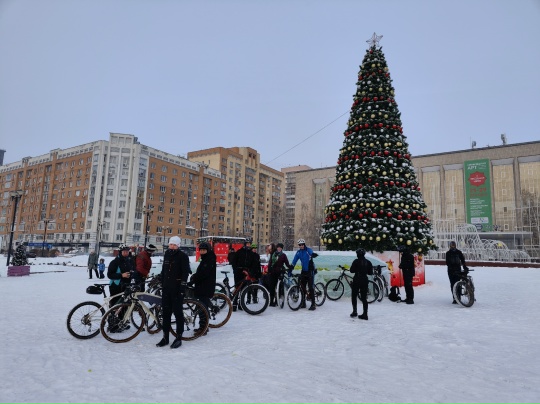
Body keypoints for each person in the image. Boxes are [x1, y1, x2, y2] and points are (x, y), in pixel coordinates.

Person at [156, 236, 191, 349]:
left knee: (178, 313)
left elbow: (185, 273)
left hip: (177, 289)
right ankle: (165, 337)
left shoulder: (183, 256)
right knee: (166, 314)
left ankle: (178, 337)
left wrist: (182, 287)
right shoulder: (167, 254)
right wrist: (161, 279)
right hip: (166, 288)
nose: (172, 246)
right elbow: (164, 269)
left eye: (174, 245)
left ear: (178, 245)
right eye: (171, 244)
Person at [188, 242, 216, 335]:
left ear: (208, 250)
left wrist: (194, 279)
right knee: (202, 306)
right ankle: (203, 326)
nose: (202, 252)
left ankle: (203, 328)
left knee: (202, 308)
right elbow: (201, 272)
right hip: (202, 285)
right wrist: (195, 276)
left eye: (204, 250)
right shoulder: (206, 258)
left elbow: (204, 273)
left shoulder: (209, 259)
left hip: (205, 286)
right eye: (201, 250)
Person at [291, 239, 317, 311]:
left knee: (310, 287)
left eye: (302, 244)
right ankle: (303, 303)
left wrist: (313, 255)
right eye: (300, 245)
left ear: (304, 244)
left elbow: (311, 253)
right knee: (302, 287)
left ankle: (313, 304)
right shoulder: (298, 252)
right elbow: (294, 260)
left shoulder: (308, 250)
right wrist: (291, 267)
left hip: (310, 270)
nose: (301, 246)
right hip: (304, 271)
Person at [349, 248, 374, 320]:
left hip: (357, 279)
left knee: (354, 296)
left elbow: (351, 270)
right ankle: (365, 314)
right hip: (364, 280)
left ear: (357, 254)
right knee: (364, 297)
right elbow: (370, 273)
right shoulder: (368, 262)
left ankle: (354, 311)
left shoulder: (356, 261)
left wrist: (357, 269)